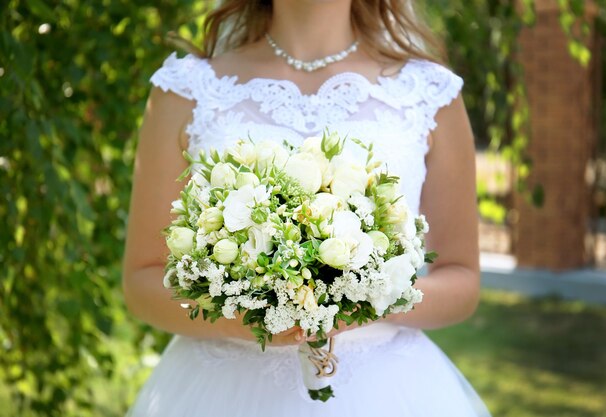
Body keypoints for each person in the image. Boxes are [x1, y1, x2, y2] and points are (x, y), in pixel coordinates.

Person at [123, 0, 489, 415]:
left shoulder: (429, 93)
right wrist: (255, 318)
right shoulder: (186, 90)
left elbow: (461, 279)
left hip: (383, 390)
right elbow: (143, 280)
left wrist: (365, 302)